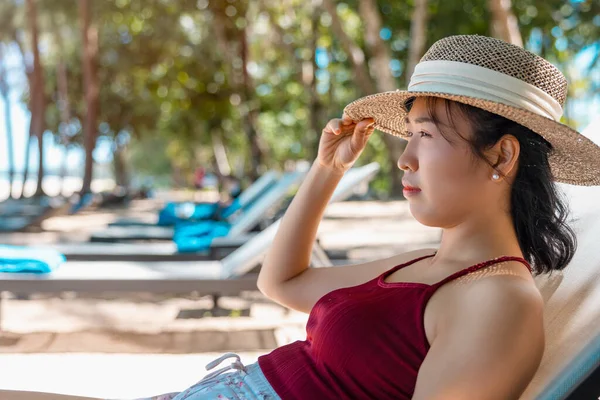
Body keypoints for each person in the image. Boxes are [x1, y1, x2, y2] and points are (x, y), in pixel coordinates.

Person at [4, 34, 600, 400]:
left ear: (502, 153)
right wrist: (325, 172)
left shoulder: (497, 301)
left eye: (425, 134)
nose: (406, 157)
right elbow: (280, 283)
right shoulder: (435, 264)